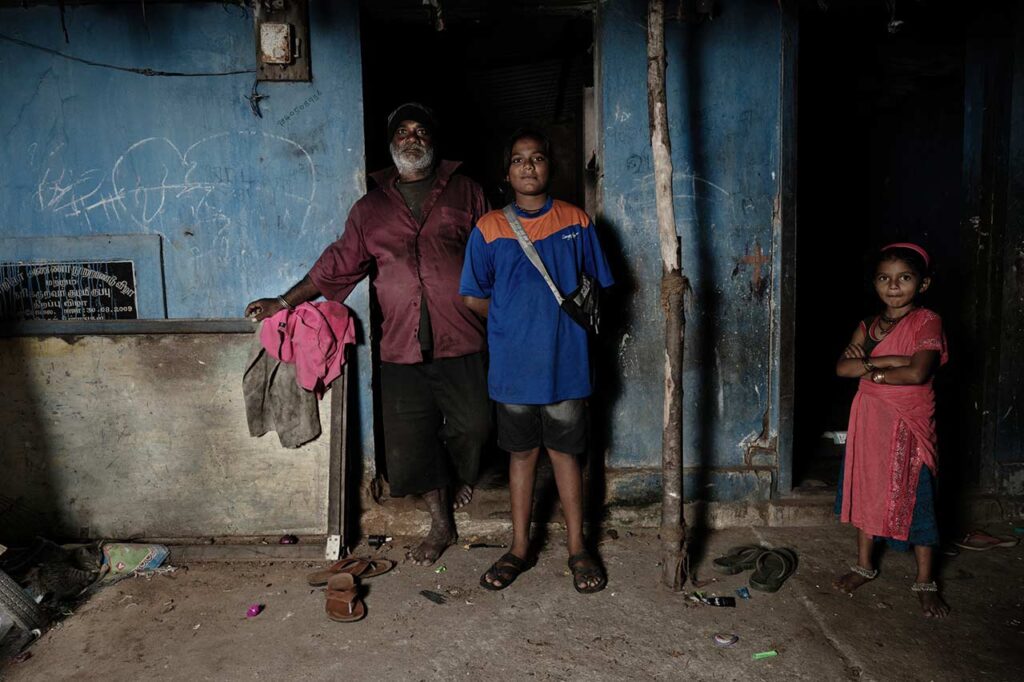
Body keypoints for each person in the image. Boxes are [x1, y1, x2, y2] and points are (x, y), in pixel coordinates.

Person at [244, 103, 491, 566]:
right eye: (402, 132)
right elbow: (338, 263)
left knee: (475, 424)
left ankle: (461, 476)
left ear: (434, 142)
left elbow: (495, 255)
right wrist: (284, 301)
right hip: (399, 344)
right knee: (410, 440)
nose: (411, 138)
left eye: (421, 130)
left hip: (464, 336)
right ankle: (441, 521)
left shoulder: (467, 192)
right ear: (391, 144)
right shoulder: (370, 209)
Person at [460, 129, 614, 593]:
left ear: (551, 166)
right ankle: (520, 547)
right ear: (506, 172)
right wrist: (512, 321)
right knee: (522, 454)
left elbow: (599, 286)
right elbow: (472, 297)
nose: (529, 166)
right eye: (519, 160)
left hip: (566, 363)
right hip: (512, 368)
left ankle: (578, 548)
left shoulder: (576, 222)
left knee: (566, 454)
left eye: (538, 158)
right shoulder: (488, 228)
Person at [832, 242, 949, 617]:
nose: (893, 286)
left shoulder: (928, 320)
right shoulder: (867, 325)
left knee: (918, 495)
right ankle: (864, 565)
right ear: (875, 283)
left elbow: (919, 371)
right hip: (870, 417)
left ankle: (926, 581)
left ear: (923, 283)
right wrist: (891, 362)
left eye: (904, 278)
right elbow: (841, 369)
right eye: (885, 278)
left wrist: (871, 365)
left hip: (908, 419)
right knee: (867, 486)